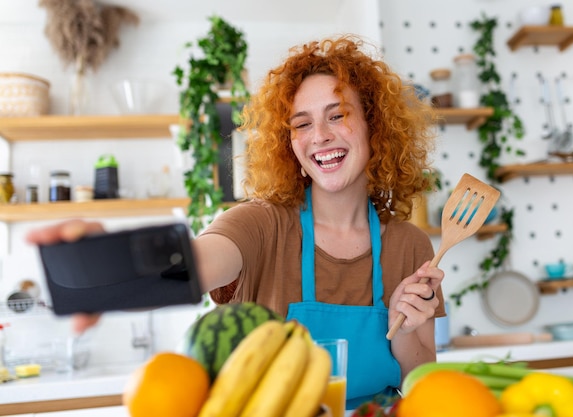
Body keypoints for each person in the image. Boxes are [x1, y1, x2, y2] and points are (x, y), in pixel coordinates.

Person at [26, 35, 445, 408]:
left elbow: (421, 378)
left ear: (375, 127)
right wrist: (111, 264)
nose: (319, 135)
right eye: (302, 123)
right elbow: (190, 264)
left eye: (337, 115)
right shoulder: (260, 225)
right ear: (290, 144)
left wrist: (407, 329)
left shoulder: (410, 245)